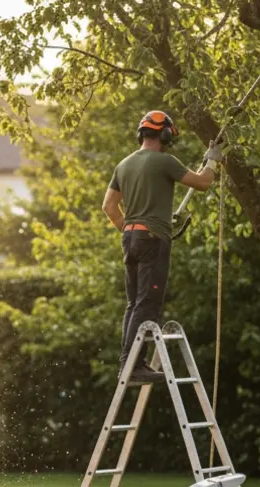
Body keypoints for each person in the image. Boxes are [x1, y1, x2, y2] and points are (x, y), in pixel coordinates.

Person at [101, 110, 223, 382]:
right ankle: (133, 366)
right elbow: (203, 182)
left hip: (130, 238)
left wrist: (132, 229)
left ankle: (127, 363)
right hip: (152, 240)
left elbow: (109, 207)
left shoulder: (123, 165)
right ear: (165, 134)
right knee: (147, 304)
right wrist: (212, 162)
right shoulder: (164, 161)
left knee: (134, 304)